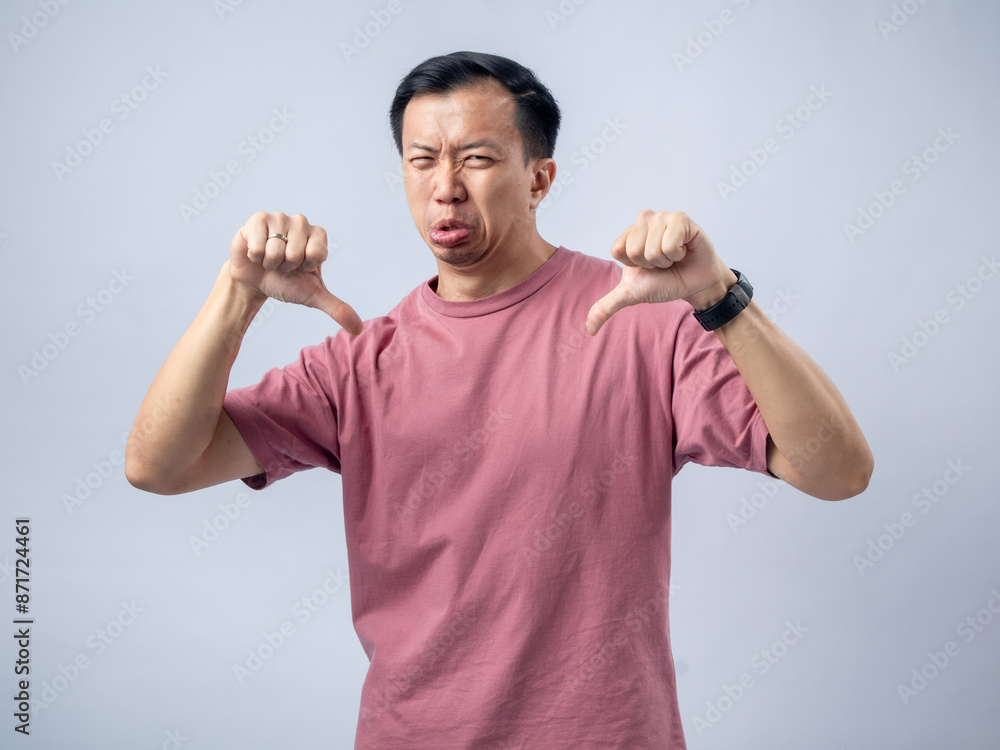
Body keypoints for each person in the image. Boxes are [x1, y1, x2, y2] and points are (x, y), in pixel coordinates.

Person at [126, 51, 873, 749]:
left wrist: (718, 296)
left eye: (476, 158)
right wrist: (238, 292)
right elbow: (159, 466)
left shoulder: (639, 324)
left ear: (539, 178)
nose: (444, 185)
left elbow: (837, 470)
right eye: (422, 160)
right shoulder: (361, 360)